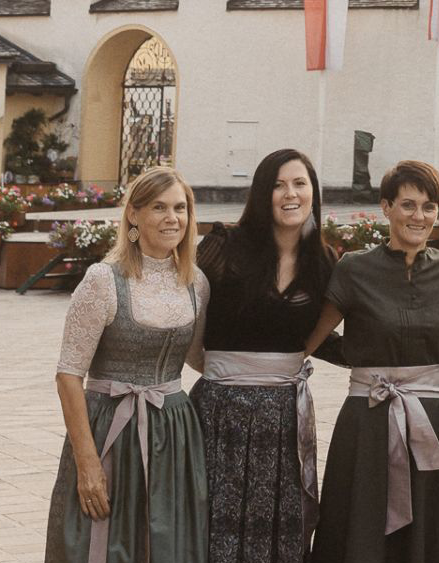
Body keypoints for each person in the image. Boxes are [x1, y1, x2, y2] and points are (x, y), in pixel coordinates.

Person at [305, 160, 439, 563]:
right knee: (363, 518)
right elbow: (314, 338)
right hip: (367, 418)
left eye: (429, 207)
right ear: (386, 207)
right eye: (408, 205)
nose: (419, 216)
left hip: (434, 419)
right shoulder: (354, 268)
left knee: (429, 523)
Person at [44, 167, 209, 563]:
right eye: (159, 207)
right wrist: (87, 463)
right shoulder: (103, 280)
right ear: (133, 214)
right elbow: (68, 375)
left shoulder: (196, 282)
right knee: (101, 540)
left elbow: (198, 358)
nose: (173, 218)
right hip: (110, 432)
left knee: (168, 544)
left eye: (180, 208)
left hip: (173, 433)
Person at [192, 148, 339, 563]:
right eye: (278, 185)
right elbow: (184, 315)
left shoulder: (324, 261)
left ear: (313, 193)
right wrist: (221, 373)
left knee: (279, 528)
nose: (290, 194)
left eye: (299, 183)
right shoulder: (223, 247)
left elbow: (320, 335)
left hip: (284, 416)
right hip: (220, 411)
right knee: (213, 525)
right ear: (261, 193)